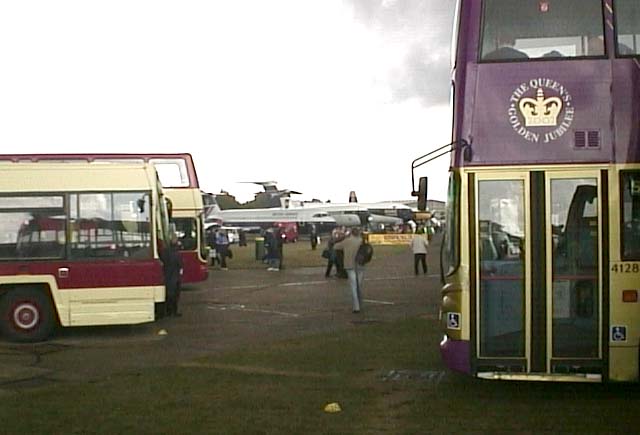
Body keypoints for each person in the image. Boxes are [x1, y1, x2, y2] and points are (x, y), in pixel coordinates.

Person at [333, 227, 366, 313]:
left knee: (353, 286)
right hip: (360, 265)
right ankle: (360, 303)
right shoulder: (361, 240)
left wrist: (343, 237)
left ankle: (356, 307)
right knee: (358, 286)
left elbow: (336, 246)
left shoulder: (347, 241)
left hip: (349, 265)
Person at [160, 233, 184, 317]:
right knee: (174, 295)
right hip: (174, 276)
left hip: (167, 274)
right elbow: (180, 264)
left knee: (169, 294)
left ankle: (168, 311)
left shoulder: (165, 251)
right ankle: (173, 311)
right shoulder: (177, 253)